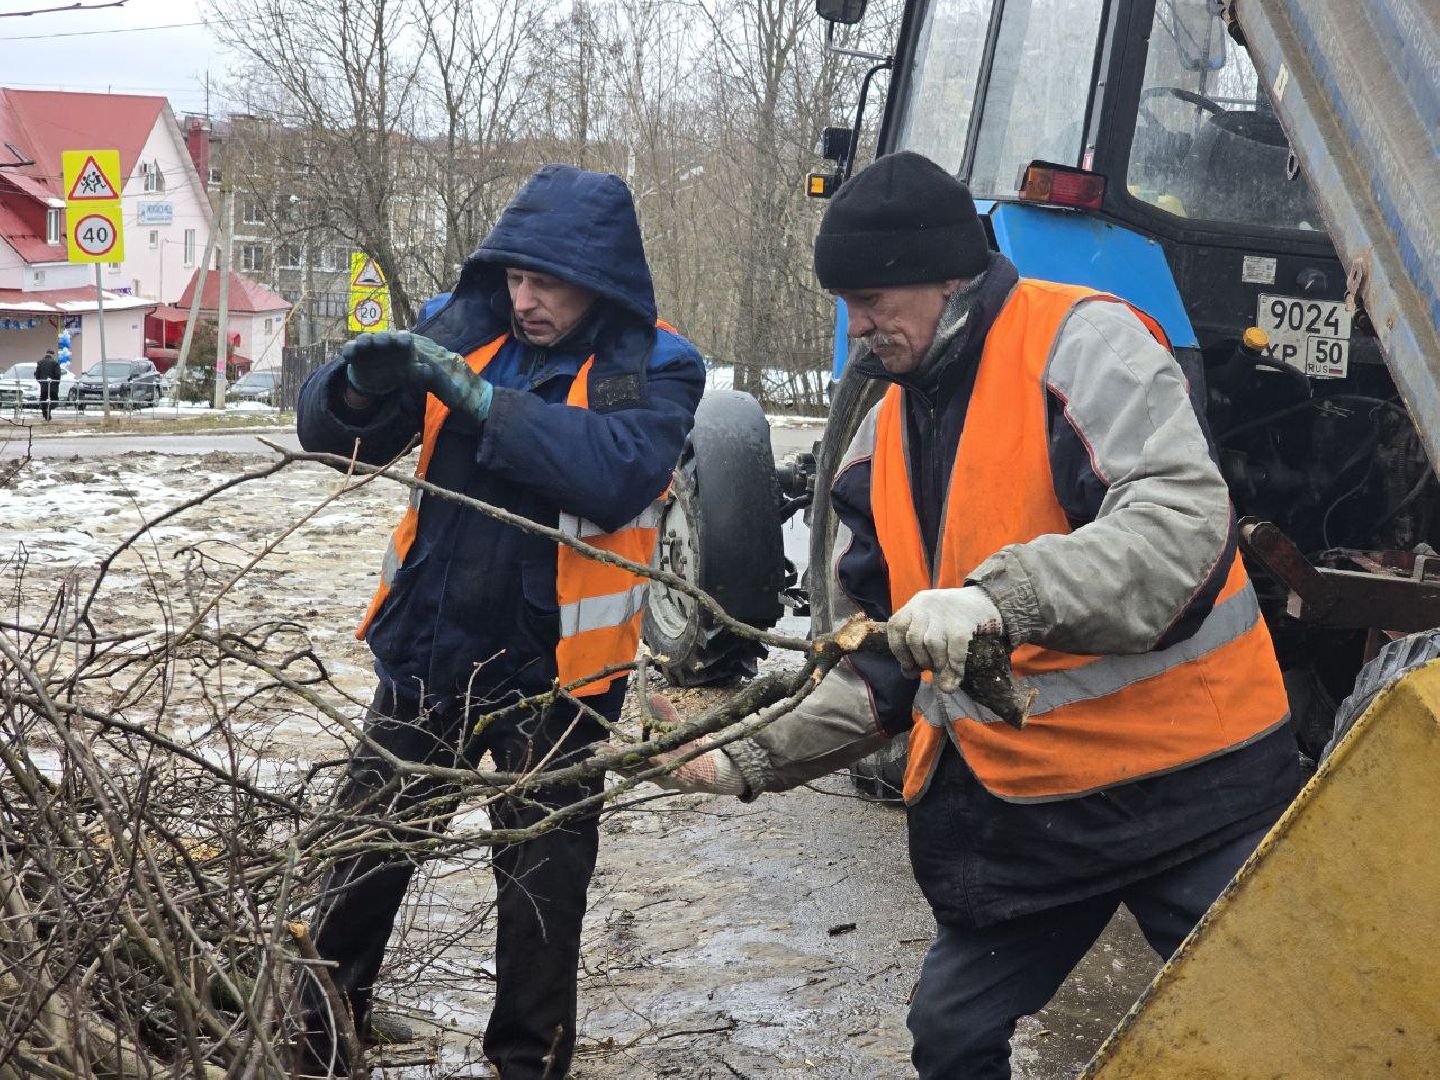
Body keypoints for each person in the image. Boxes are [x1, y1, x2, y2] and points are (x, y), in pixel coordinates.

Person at [649, 151, 1302, 1079]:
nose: (857, 326)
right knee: (951, 1037)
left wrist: (1001, 599)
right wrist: (746, 753)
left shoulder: (1084, 345)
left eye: (875, 299)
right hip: (1036, 820)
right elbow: (877, 666)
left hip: (1191, 791)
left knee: (1280, 1035)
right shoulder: (881, 440)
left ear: (950, 276)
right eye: (845, 302)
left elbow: (1179, 531)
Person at [292, 164, 705, 1078]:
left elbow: (613, 471)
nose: (526, 299)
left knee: (540, 907)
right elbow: (336, 440)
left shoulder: (655, 362)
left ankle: (527, 1064)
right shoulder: (464, 322)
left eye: (546, 283)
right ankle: (315, 1042)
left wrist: (482, 404)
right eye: (517, 277)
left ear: (599, 283)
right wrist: (353, 391)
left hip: (556, 684)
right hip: (428, 660)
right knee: (360, 867)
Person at [34, 349, 61, 421]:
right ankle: (48, 410)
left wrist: (42, 382)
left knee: (43, 400)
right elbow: (58, 375)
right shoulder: (55, 363)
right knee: (54, 401)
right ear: (53, 355)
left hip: (43, 386)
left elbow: (37, 376)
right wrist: (56, 383)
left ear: (46, 354)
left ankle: (45, 413)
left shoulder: (40, 363)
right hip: (53, 386)